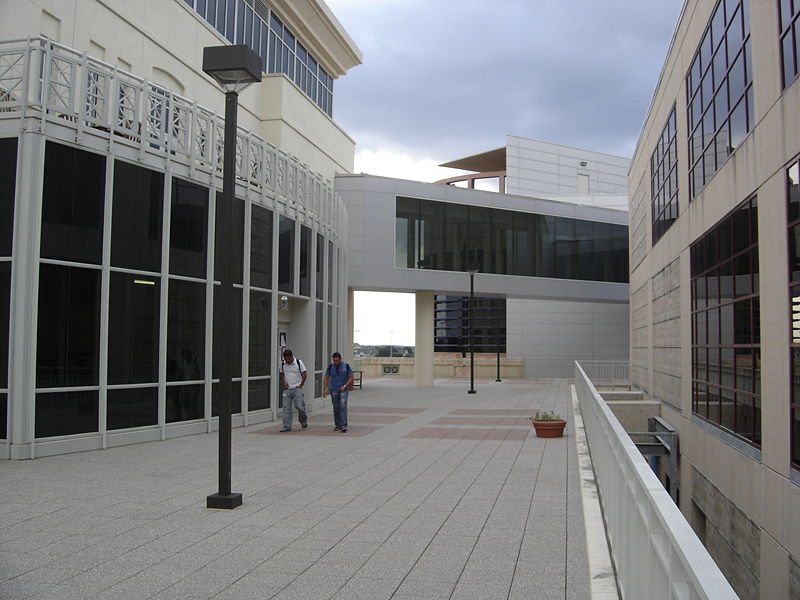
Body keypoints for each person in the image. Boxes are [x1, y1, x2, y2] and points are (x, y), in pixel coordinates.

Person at [322, 352, 353, 433]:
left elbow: (351, 378)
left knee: (342, 406)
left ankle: (343, 425)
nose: (336, 362)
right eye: (334, 361)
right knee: (336, 407)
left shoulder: (346, 366)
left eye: (337, 361)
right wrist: (325, 389)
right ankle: (337, 425)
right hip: (334, 389)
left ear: (340, 359)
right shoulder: (330, 367)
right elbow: (326, 378)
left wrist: (345, 386)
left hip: (343, 389)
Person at [279, 348, 308, 432]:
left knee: (299, 406)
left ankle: (303, 421)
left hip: (297, 388)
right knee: (286, 408)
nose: (287, 361)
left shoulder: (298, 362)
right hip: (287, 389)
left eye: (288, 359)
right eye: (285, 359)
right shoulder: (282, 364)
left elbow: (305, 374)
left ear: (292, 357)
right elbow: (281, 374)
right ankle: (287, 427)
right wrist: (284, 383)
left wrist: (301, 384)